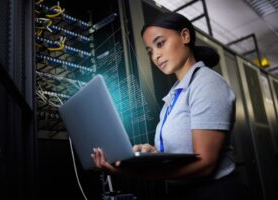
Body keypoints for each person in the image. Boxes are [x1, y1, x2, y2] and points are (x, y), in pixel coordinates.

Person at [91, 12, 251, 200]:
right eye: (150, 51)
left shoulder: (207, 84)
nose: (156, 56)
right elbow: (183, 152)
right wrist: (154, 154)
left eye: (160, 44)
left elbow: (206, 164)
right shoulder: (175, 94)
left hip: (215, 193)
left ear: (185, 36)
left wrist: (140, 174)